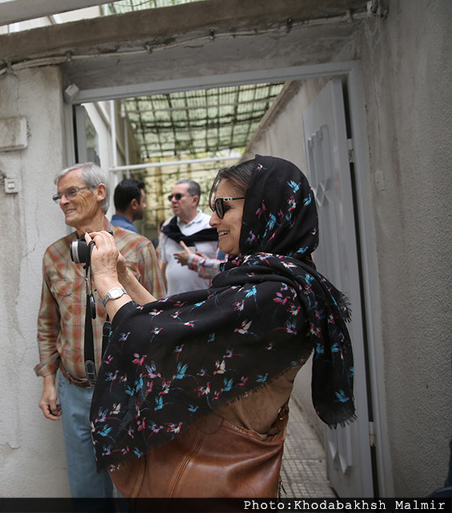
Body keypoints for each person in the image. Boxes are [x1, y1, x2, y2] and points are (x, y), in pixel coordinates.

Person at [86, 155, 356, 499]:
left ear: (264, 208)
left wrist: (106, 279)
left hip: (218, 479)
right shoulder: (267, 279)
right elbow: (170, 329)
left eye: (223, 207)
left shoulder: (275, 296)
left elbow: (149, 342)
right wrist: (124, 276)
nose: (213, 220)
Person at [36, 162, 164, 501]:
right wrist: (49, 381)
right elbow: (48, 323)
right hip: (74, 392)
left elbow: (160, 319)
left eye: (71, 192)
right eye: (58, 196)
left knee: (131, 493)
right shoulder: (54, 256)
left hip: (127, 392)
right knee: (86, 493)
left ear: (100, 193)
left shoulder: (138, 248)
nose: (62, 201)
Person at [158, 180, 219, 295]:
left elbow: (221, 264)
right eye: (171, 197)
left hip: (204, 301)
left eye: (178, 196)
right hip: (173, 301)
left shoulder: (211, 225)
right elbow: (163, 265)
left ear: (194, 200)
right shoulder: (168, 227)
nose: (173, 200)